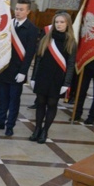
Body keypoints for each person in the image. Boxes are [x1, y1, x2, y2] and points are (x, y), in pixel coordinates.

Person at [0, 0, 39, 136]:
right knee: (2, 98)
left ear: (28, 11)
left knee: (13, 100)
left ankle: (10, 125)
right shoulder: (8, 25)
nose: (18, 12)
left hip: (17, 71)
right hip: (5, 69)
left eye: (21, 9)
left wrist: (23, 71)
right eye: (16, 9)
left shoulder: (32, 29)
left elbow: (30, 53)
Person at [30, 13, 76, 143]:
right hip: (42, 76)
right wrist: (33, 77)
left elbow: (71, 64)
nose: (59, 24)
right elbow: (38, 60)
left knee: (51, 104)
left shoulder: (71, 42)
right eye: (57, 22)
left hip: (58, 78)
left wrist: (66, 83)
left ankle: (45, 130)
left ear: (67, 24)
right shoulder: (46, 38)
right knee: (40, 103)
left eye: (62, 22)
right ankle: (37, 129)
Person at [73, 6, 94, 124]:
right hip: (87, 63)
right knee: (81, 90)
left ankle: (91, 117)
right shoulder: (91, 27)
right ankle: (77, 114)